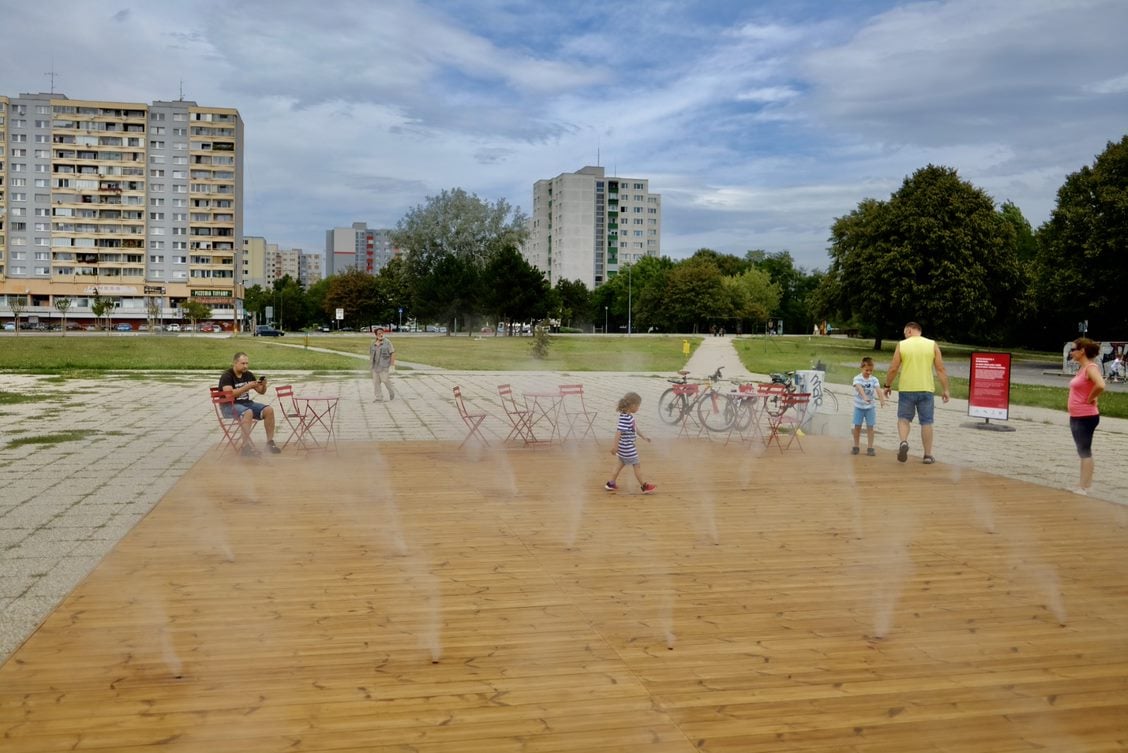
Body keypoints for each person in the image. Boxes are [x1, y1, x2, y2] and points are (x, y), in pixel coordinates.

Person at [882, 321, 950, 464]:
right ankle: (927, 455)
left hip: (907, 389)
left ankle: (904, 442)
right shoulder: (932, 344)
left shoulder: (902, 345)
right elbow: (940, 369)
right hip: (926, 389)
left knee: (903, 419)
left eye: (905, 333)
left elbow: (893, 368)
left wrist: (887, 385)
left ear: (910, 331)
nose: (905, 336)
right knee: (926, 422)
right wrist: (945, 389)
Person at [218, 351, 280, 456]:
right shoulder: (227, 376)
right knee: (248, 412)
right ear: (235, 363)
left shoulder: (248, 374)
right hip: (229, 406)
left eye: (247, 363)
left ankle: (270, 443)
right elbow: (229, 395)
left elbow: (261, 391)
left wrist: (264, 385)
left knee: (269, 410)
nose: (245, 366)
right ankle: (245, 448)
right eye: (243, 363)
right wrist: (247, 387)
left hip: (246, 404)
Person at [1067, 338, 1105, 495]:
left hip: (1085, 416)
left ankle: (1084, 487)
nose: (1071, 352)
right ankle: (1083, 485)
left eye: (1074, 349)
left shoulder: (1090, 367)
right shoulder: (1083, 369)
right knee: (1082, 450)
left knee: (1085, 451)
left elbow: (1101, 385)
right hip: (1078, 416)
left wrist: (1090, 398)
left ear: (1082, 351)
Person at [604, 392, 656, 494]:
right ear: (633, 405)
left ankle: (610, 483)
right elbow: (618, 432)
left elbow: (635, 428)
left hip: (623, 448)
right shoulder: (626, 418)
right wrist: (614, 447)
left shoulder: (627, 416)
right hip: (628, 448)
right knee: (637, 466)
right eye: (638, 406)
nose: (638, 409)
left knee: (619, 465)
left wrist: (644, 437)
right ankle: (644, 486)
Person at [851, 356, 886, 456]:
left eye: (871, 370)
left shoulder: (874, 379)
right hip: (859, 407)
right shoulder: (857, 378)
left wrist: (882, 400)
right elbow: (859, 388)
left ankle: (870, 447)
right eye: (867, 370)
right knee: (857, 427)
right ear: (862, 368)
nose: (869, 372)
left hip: (870, 408)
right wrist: (864, 396)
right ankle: (856, 446)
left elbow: (878, 389)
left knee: (870, 427)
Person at [369, 326, 396, 402]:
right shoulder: (372, 343)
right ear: (376, 335)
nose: (380, 334)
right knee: (376, 382)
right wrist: (370, 365)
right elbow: (371, 355)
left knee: (385, 380)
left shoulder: (387, 342)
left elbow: (392, 353)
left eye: (382, 333)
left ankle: (391, 391)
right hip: (375, 366)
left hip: (384, 366)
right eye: (379, 333)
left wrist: (392, 365)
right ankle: (379, 398)